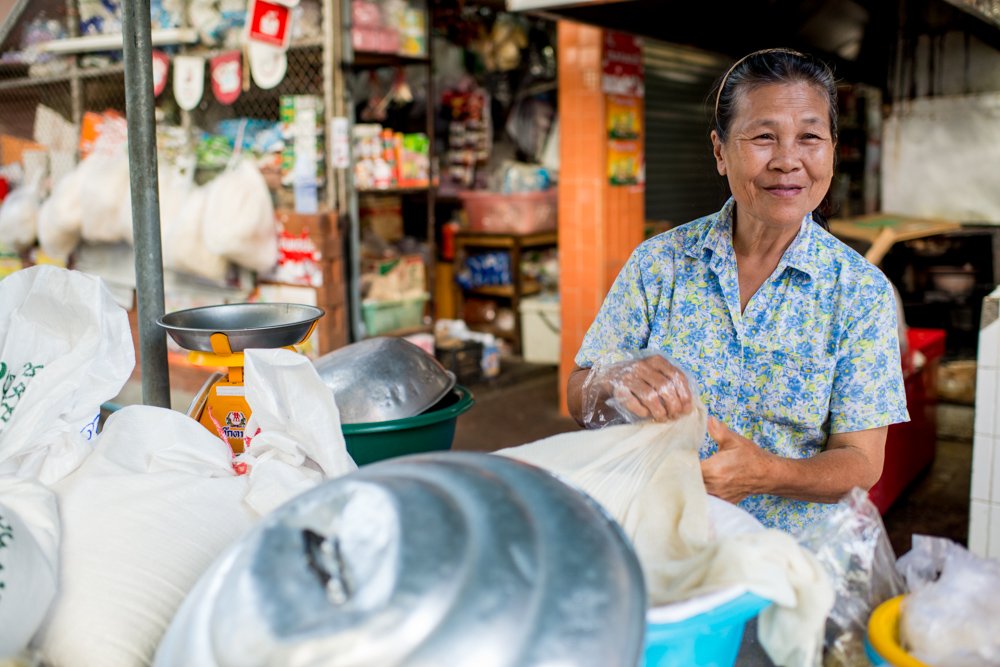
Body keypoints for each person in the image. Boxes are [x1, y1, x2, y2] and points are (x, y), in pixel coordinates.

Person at [567, 48, 908, 533]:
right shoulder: (659, 263)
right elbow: (579, 394)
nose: (788, 161)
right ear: (720, 151)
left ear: (830, 150)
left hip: (787, 563)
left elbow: (860, 462)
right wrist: (612, 382)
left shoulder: (859, 293)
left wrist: (765, 474)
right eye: (764, 137)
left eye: (810, 137)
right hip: (658, 533)